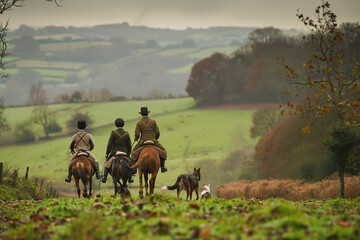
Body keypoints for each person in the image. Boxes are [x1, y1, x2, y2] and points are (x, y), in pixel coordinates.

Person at [132, 107, 168, 172]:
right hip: (153, 140)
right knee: (164, 151)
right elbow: (157, 132)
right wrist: (155, 139)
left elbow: (137, 134)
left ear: (141, 114)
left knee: (133, 152)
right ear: (147, 113)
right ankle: (163, 166)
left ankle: (134, 169)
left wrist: (136, 138)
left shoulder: (139, 123)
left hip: (142, 142)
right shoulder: (153, 121)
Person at [102, 118, 134, 183]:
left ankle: (104, 177)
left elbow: (109, 144)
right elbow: (129, 146)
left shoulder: (113, 133)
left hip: (115, 153)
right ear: (123, 124)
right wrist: (128, 154)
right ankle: (130, 177)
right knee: (130, 164)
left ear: (115, 125)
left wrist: (107, 153)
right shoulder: (126, 133)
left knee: (107, 163)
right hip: (124, 153)